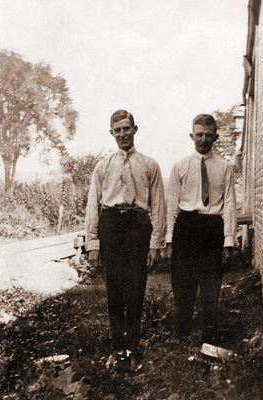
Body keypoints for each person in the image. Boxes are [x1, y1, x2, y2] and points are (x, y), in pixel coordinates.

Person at [85, 109, 166, 370]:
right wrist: (93, 243)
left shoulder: (149, 165)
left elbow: (159, 206)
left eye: (126, 129)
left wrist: (156, 243)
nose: (122, 134)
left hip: (137, 227)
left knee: (135, 290)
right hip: (111, 227)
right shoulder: (103, 166)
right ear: (111, 133)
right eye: (117, 130)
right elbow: (92, 207)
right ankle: (117, 349)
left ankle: (133, 349)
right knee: (114, 292)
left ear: (135, 130)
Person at [166, 114, 236, 344]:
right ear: (191, 136)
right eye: (199, 135)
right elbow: (172, 206)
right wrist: (169, 239)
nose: (204, 140)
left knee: (210, 285)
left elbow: (229, 205)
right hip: (186, 227)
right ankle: (182, 334)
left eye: (208, 135)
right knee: (183, 284)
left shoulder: (225, 168)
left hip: (212, 228)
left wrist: (228, 240)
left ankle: (209, 336)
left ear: (216, 136)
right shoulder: (180, 167)